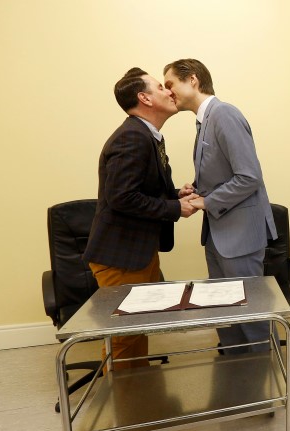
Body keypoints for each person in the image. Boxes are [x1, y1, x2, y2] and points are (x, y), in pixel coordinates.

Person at [83, 67, 200, 370]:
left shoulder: (147, 135)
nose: (169, 91)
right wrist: (175, 209)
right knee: (126, 337)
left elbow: (138, 190)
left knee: (137, 332)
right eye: (161, 87)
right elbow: (121, 198)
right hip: (121, 256)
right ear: (144, 98)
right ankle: (128, 409)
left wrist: (175, 195)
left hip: (138, 251)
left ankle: (140, 397)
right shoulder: (132, 138)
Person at [163, 59, 278, 354]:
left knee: (250, 316)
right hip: (218, 233)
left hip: (239, 235)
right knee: (224, 313)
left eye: (170, 84)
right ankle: (237, 379)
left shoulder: (224, 114)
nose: (168, 92)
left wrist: (207, 201)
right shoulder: (204, 121)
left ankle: (267, 382)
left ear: (192, 80)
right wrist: (196, 190)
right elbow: (224, 174)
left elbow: (249, 176)